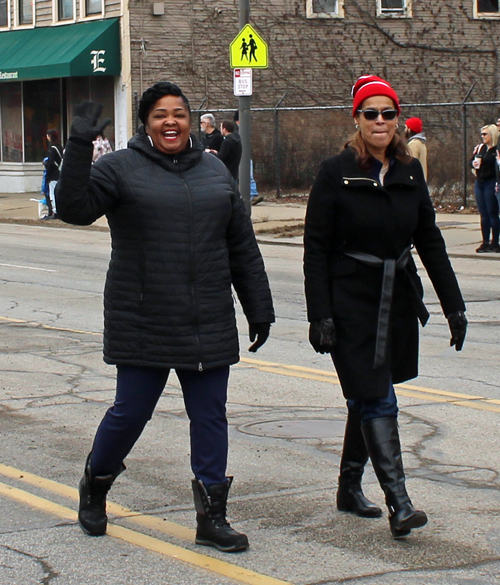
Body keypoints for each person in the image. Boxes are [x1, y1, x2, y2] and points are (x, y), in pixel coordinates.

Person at [55, 82, 275, 552]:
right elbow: (73, 209)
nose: (170, 122)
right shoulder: (119, 168)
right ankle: (95, 485)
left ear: (191, 121)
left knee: (210, 416)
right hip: (145, 318)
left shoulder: (215, 170)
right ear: (146, 123)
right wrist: (77, 147)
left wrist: (259, 307)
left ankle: (212, 517)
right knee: (130, 413)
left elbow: (241, 245)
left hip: (207, 318)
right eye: (159, 115)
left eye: (178, 113)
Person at [304, 75, 467, 539]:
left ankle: (348, 488)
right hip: (349, 301)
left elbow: (430, 241)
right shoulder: (334, 172)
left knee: (367, 392)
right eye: (370, 113)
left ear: (398, 119)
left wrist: (453, 305)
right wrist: (321, 315)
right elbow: (315, 248)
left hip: (395, 300)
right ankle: (400, 503)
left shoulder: (408, 171)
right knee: (377, 396)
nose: (380, 121)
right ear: (356, 118)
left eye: (388, 113)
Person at [471, 124, 499, 253]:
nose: (483, 137)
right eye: (482, 134)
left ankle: (495, 242)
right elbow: (472, 161)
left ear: (492, 135)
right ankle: (485, 241)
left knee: (492, 212)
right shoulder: (481, 148)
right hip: (480, 182)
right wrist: (474, 163)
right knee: (483, 214)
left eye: (485, 134)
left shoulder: (495, 150)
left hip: (490, 182)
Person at [233, 110, 262, 204]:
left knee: (248, 175)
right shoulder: (236, 130)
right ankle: (249, 195)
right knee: (244, 176)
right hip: (240, 156)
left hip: (244, 156)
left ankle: (252, 195)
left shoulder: (242, 130)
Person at [43, 129, 63, 219]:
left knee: (53, 194)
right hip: (60, 173)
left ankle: (55, 212)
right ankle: (59, 210)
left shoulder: (52, 149)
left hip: (53, 175)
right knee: (59, 193)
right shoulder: (60, 147)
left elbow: (51, 164)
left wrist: (47, 176)